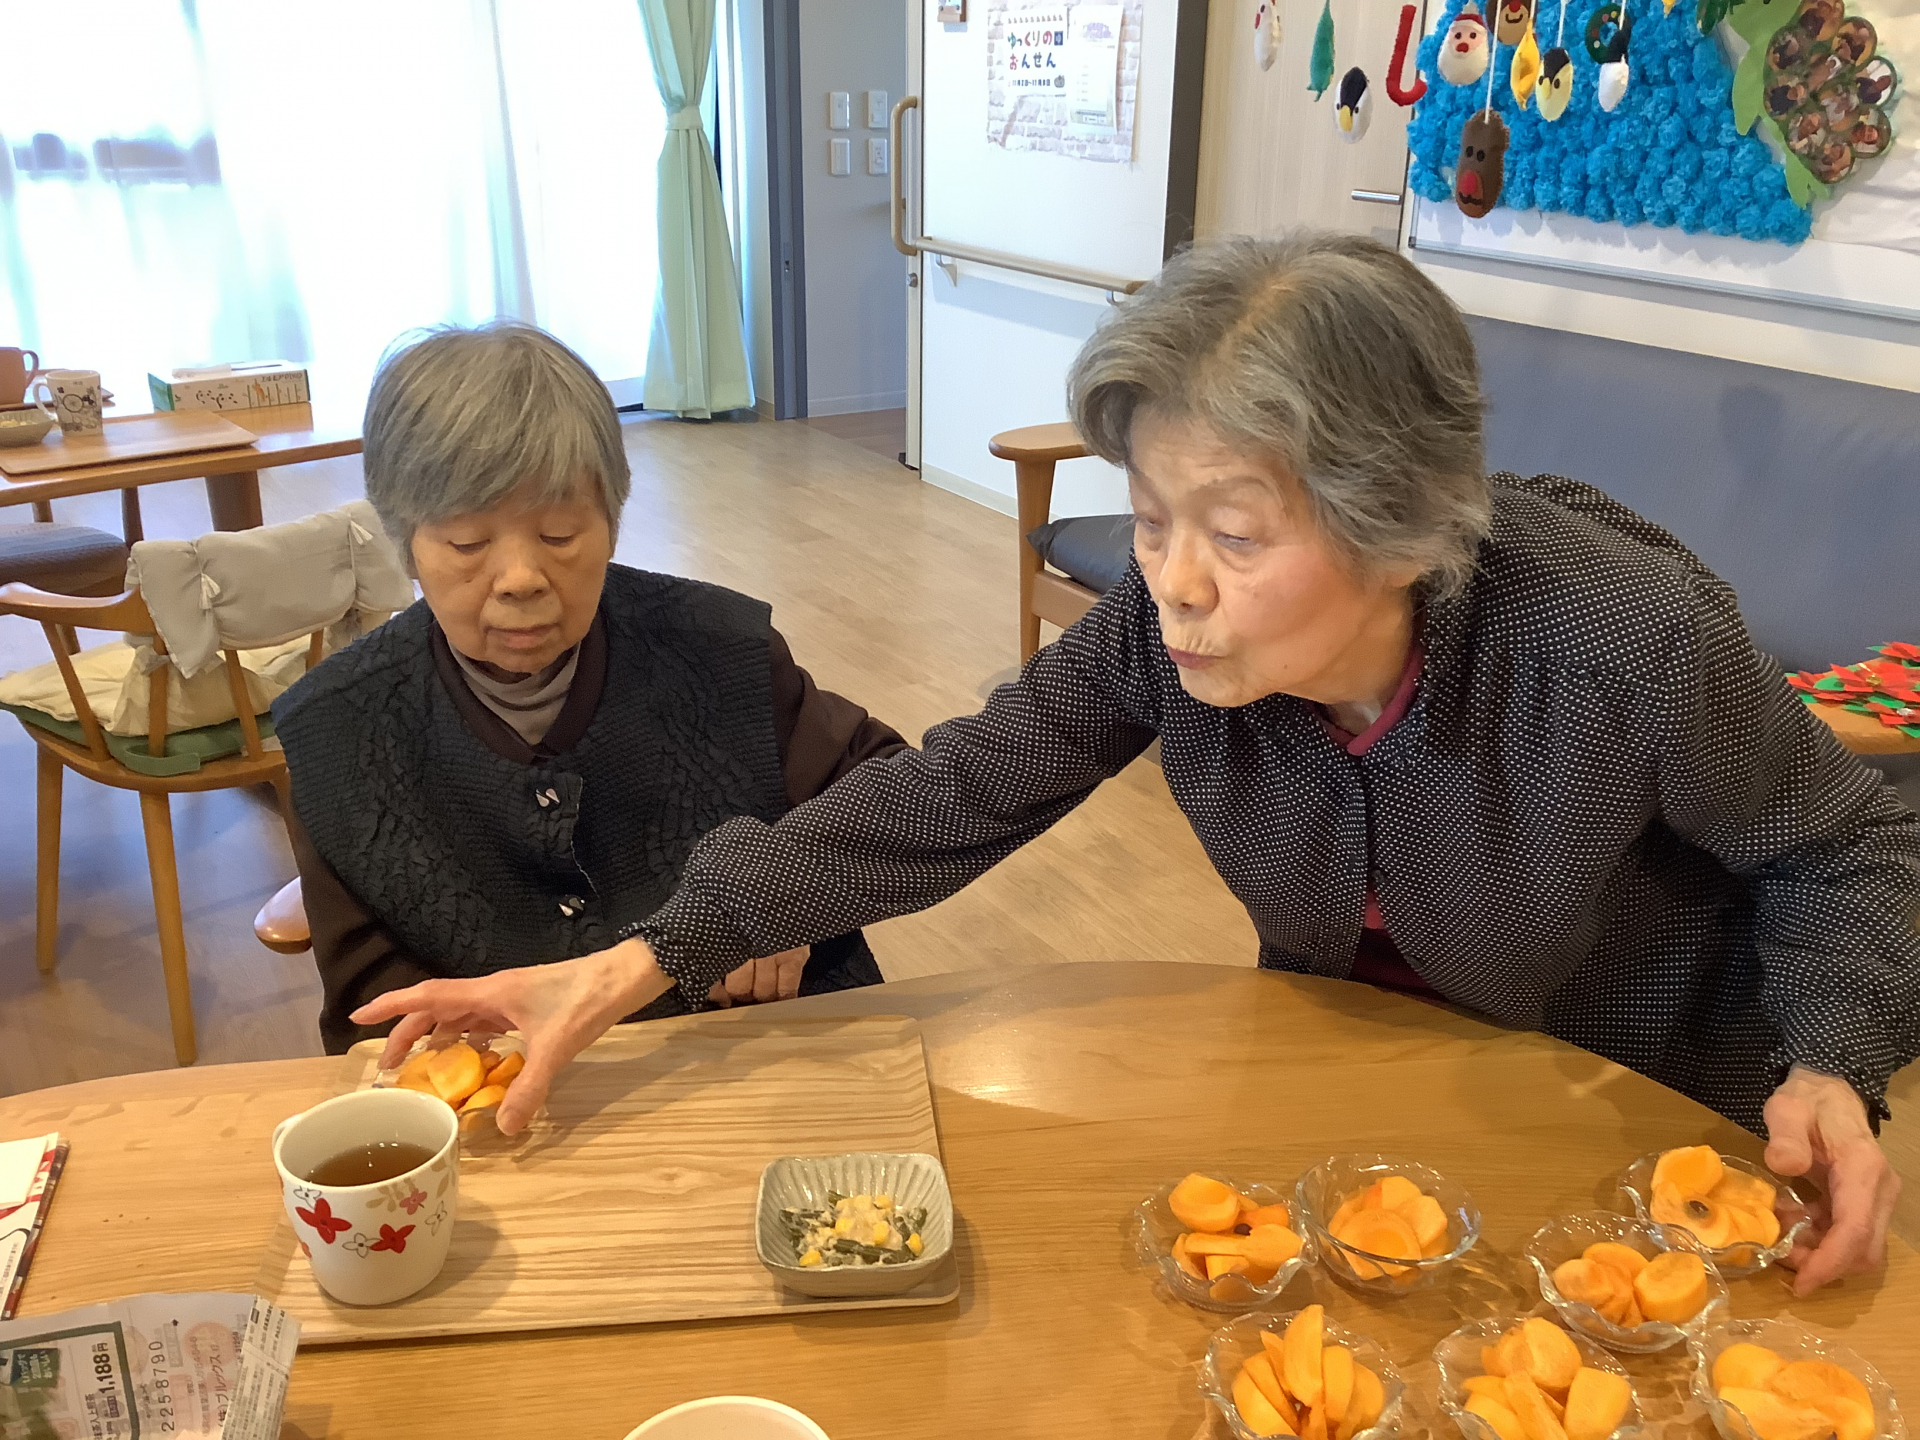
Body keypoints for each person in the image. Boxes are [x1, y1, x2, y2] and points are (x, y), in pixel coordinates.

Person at [357, 235, 1917, 1293]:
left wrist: (1834, 1065)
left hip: (1632, 1112)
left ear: (1400, 530)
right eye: (1153, 519)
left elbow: (1848, 846)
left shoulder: (1614, 636)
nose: (1169, 583)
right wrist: (635, 965)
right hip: (1357, 1066)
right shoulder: (1165, 640)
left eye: (1232, 533)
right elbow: (958, 788)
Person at [273, 322, 906, 1053]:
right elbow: (374, 1006)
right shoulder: (337, 730)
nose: (520, 579)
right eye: (468, 543)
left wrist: (783, 894)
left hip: (768, 1057)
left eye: (560, 535)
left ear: (612, 520)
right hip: (511, 1094)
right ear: (405, 544)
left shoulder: (719, 647)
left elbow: (892, 788)